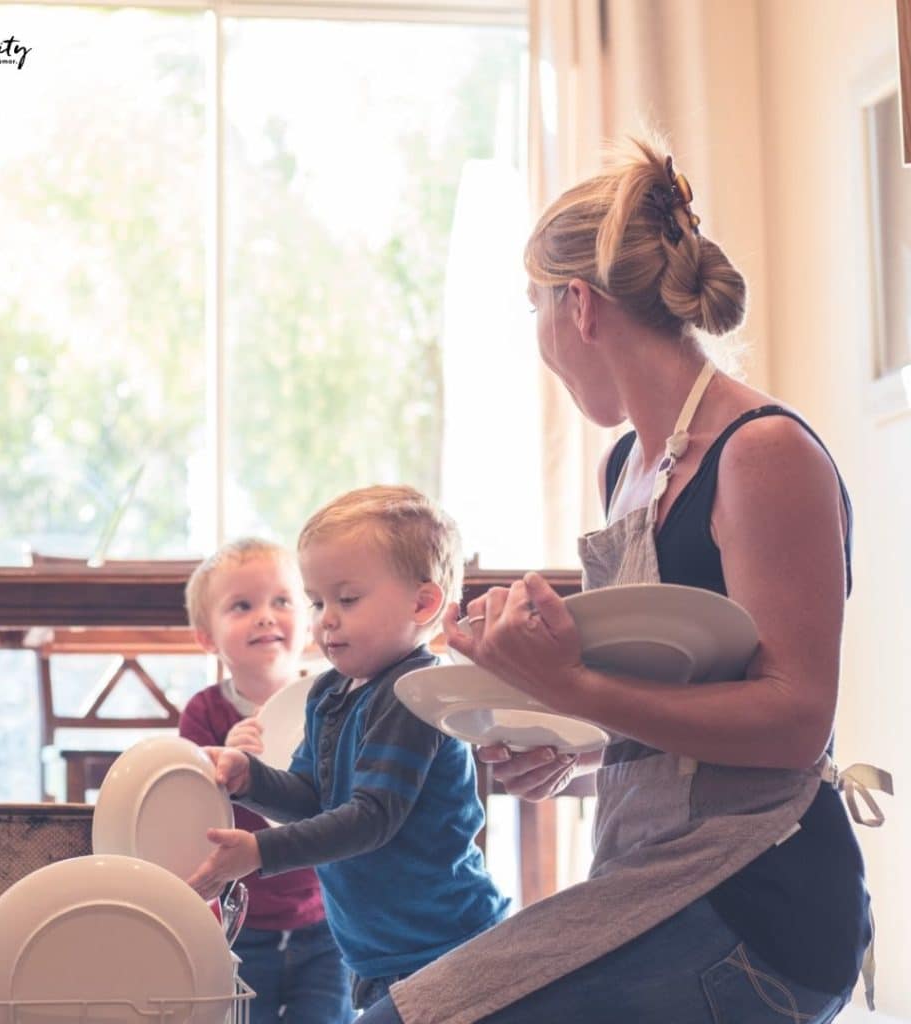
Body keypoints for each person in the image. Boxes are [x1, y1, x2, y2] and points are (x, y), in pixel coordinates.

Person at [355, 136, 883, 1024]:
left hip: (762, 909)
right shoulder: (629, 466)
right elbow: (694, 740)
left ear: (580, 306)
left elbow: (793, 722)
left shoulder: (762, 454)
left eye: (535, 304)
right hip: (665, 877)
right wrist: (580, 755)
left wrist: (569, 684)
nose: (539, 336)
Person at [186, 486, 510, 1013]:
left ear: (423, 603)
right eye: (318, 601)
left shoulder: (415, 694)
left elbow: (371, 819)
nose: (326, 619)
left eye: (348, 599)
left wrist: (259, 853)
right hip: (381, 952)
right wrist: (251, 779)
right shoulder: (330, 693)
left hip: (448, 946)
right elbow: (312, 797)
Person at [181, 538, 354, 1024]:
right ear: (207, 639)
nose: (265, 615)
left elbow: (348, 802)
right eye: (243, 605)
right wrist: (220, 765)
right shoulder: (205, 712)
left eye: (282, 601)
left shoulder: (332, 700)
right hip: (240, 921)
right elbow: (185, 810)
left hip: (325, 917)